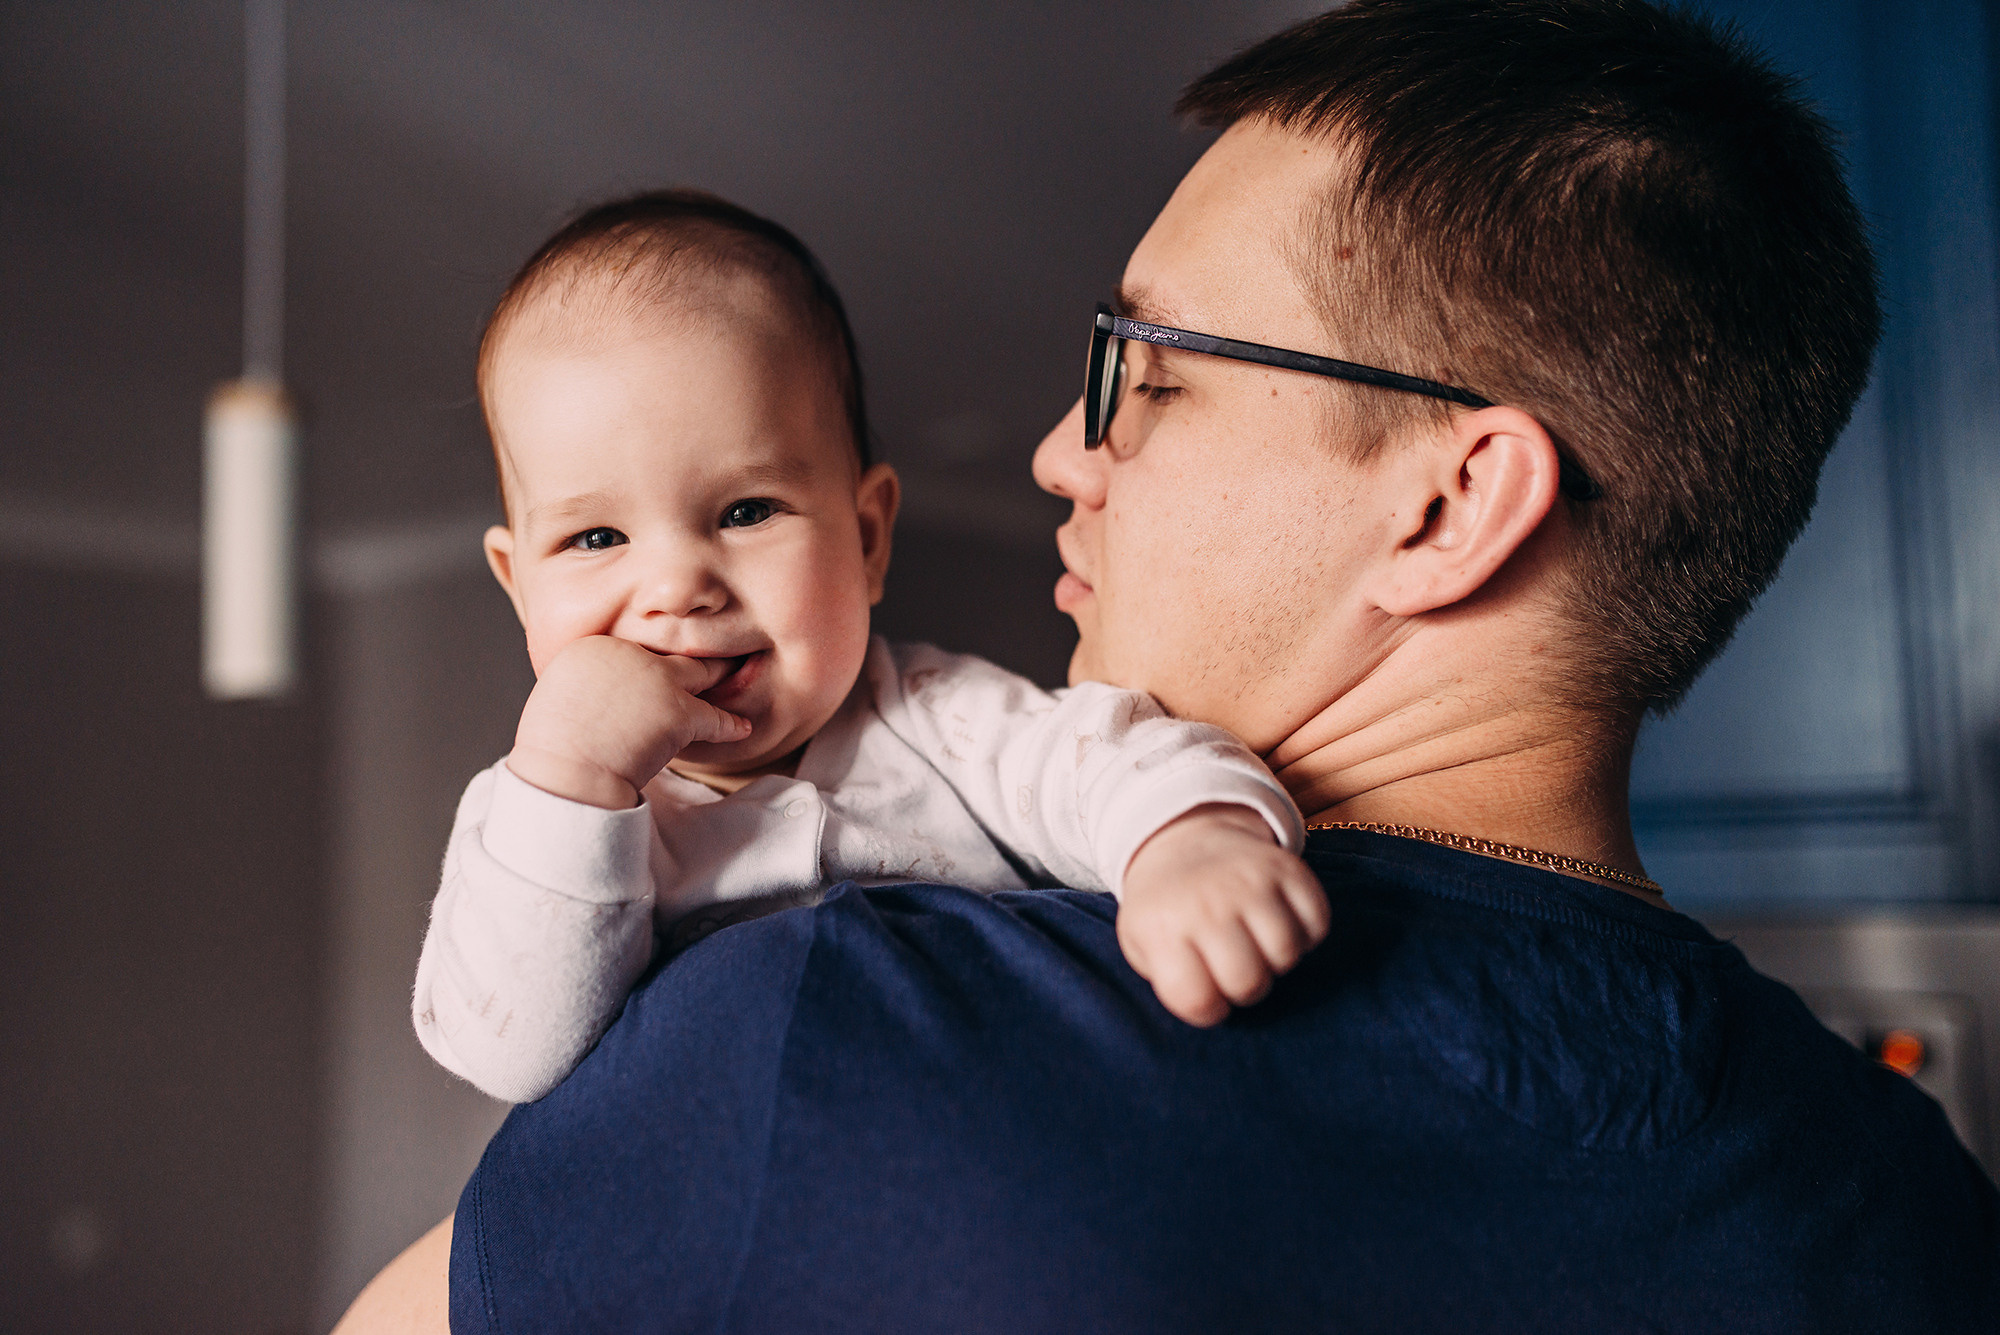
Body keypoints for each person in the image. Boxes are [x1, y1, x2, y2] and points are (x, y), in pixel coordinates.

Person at [339, 2, 2000, 1330]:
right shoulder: (1910, 1205)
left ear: (1452, 502)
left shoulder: (844, 1028)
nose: (1066, 449)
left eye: (1152, 368)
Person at [413, 189, 1323, 1105]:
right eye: (596, 538)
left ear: (868, 536)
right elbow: (511, 1051)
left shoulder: (947, 722)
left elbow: (1114, 758)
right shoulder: (532, 819)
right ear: (518, 583)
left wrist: (1188, 843)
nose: (678, 586)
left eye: (745, 511)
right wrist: (572, 777)